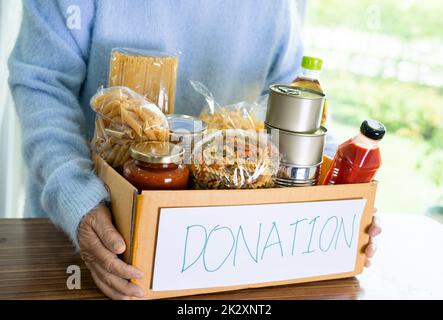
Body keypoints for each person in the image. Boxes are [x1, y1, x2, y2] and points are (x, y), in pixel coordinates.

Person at [8, 0, 381, 299]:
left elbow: (296, 104)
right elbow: (42, 84)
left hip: (231, 250)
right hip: (91, 240)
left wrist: (342, 200)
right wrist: (75, 196)